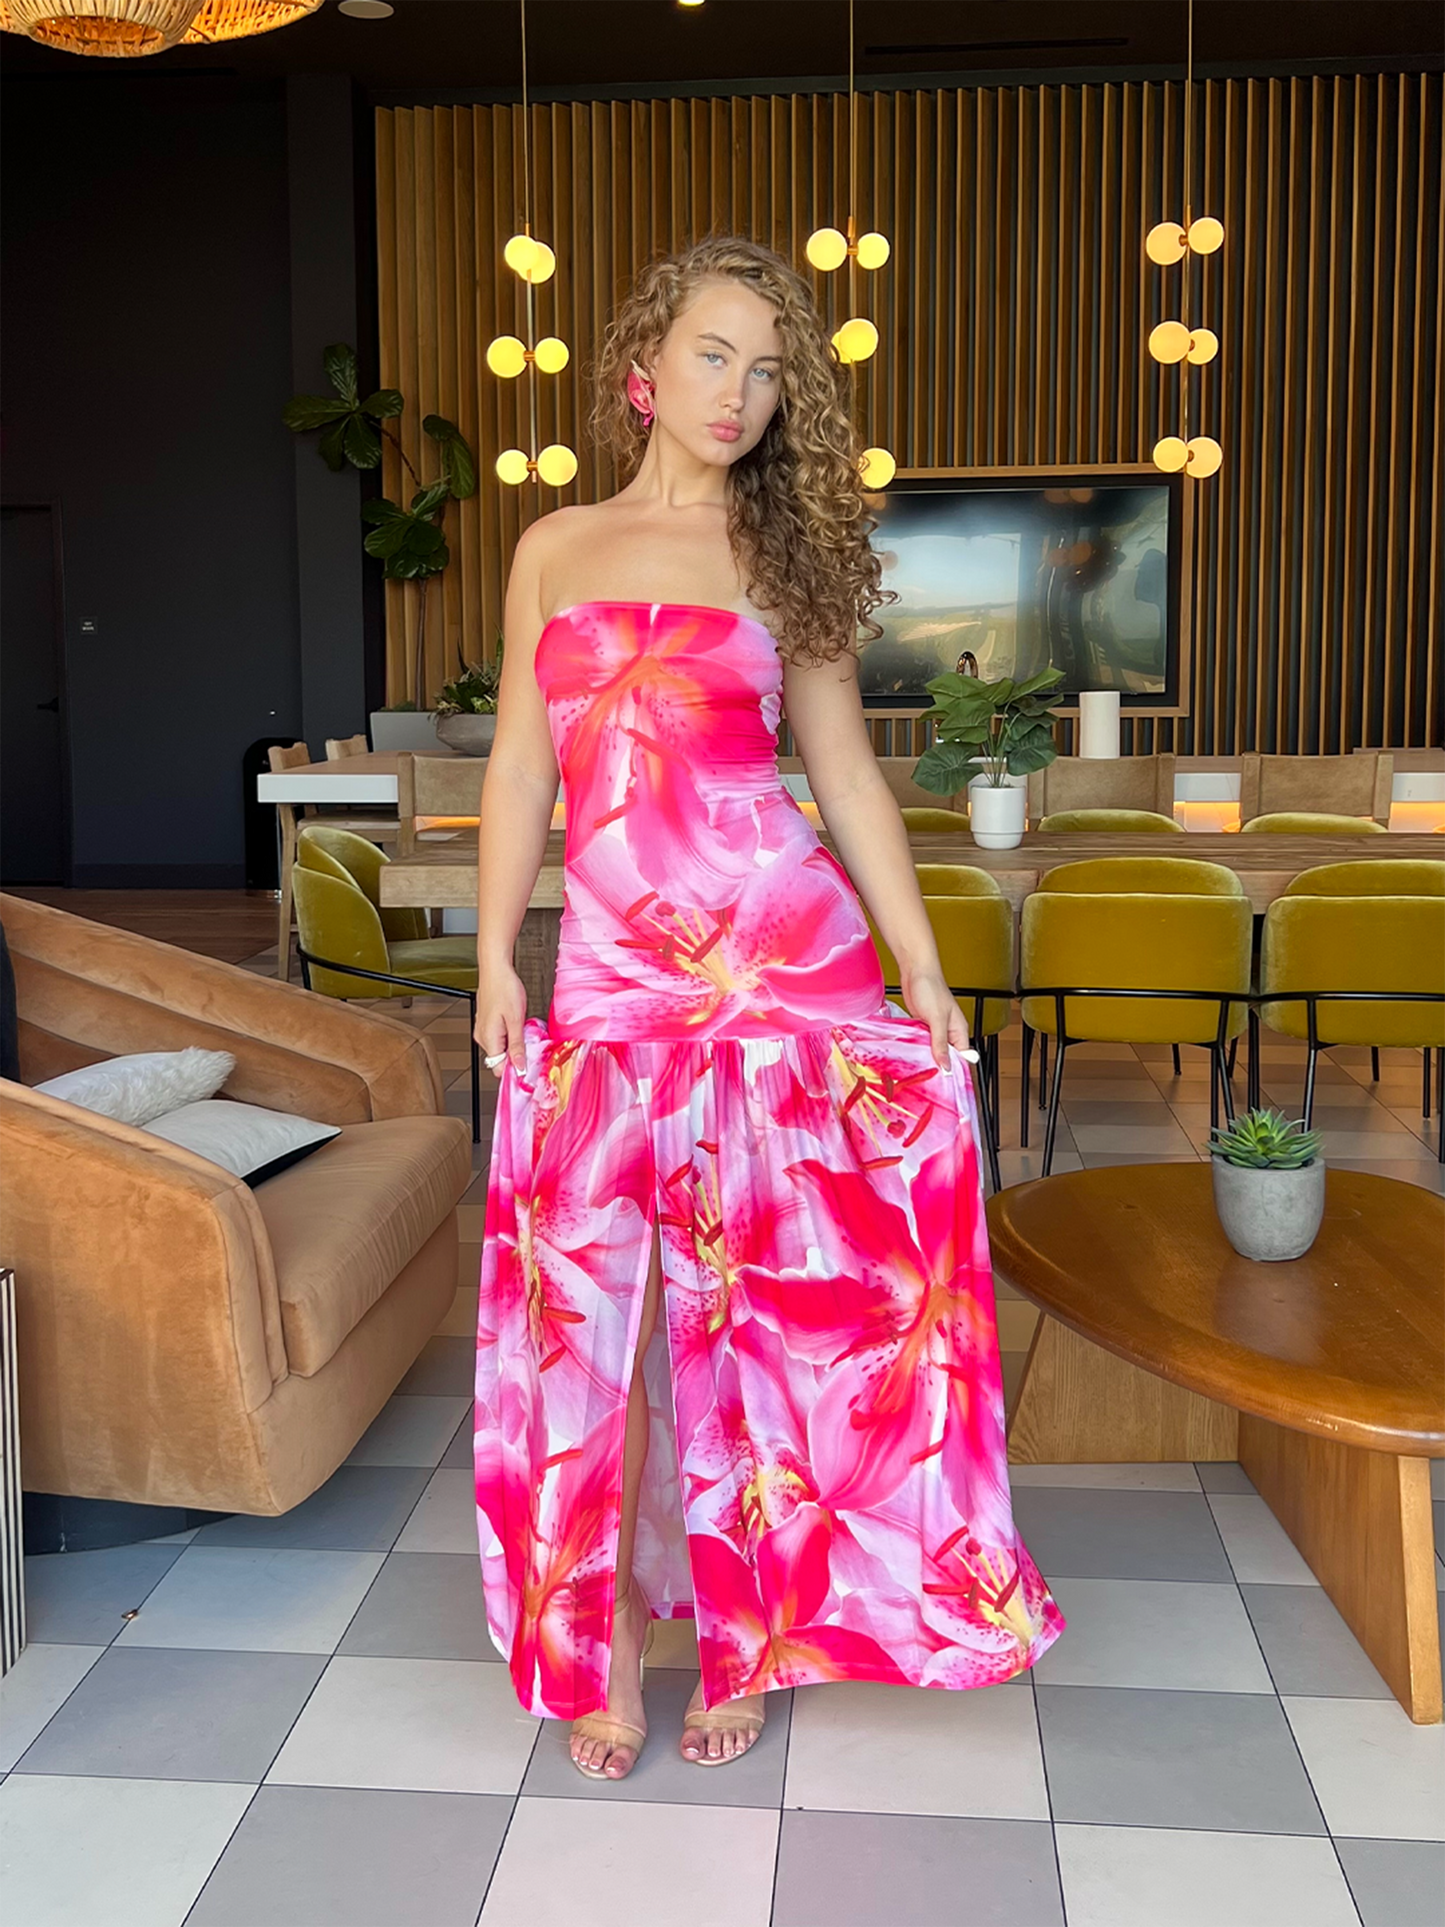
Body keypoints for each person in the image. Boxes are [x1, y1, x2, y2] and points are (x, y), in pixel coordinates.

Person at [472, 235, 1062, 1782]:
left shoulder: (778, 555)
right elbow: (525, 766)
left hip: (782, 961)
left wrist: (922, 962)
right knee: (597, 1315)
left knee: (767, 1307)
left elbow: (845, 771)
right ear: (643, 368)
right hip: (611, 968)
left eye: (770, 369)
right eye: (716, 356)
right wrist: (493, 951)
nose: (740, 393)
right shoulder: (554, 546)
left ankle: (743, 1631)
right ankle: (597, 1640)